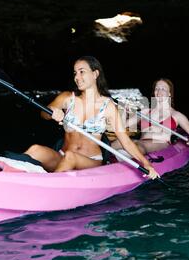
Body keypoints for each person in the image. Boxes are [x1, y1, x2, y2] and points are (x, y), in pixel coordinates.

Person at [23, 56, 160, 179]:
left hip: (90, 161)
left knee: (71, 157)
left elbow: (126, 141)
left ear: (95, 74)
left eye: (82, 71)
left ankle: (48, 187)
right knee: (35, 150)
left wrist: (147, 164)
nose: (77, 77)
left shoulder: (108, 106)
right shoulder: (67, 98)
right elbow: (43, 114)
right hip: (62, 155)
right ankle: (8, 177)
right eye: (75, 73)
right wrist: (51, 111)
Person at [112, 78, 189, 154]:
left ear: (169, 93)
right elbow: (122, 125)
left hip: (159, 143)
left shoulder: (176, 115)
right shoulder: (145, 111)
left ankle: (126, 154)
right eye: (157, 88)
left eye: (163, 89)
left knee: (138, 145)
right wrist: (123, 111)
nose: (159, 91)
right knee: (117, 142)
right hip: (140, 142)